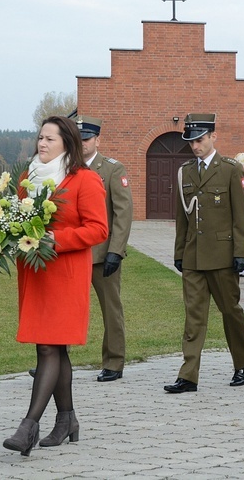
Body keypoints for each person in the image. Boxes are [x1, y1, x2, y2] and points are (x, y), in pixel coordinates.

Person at [3, 116, 108, 456]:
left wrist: (56, 239)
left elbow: (98, 230)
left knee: (49, 347)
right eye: (40, 138)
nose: (42, 144)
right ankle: (67, 421)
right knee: (52, 347)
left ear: (67, 143)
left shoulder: (85, 180)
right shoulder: (27, 178)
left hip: (65, 273)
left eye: (50, 139)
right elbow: (17, 218)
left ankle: (28, 426)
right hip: (35, 273)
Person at [164, 113, 244, 393]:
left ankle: (242, 362)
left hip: (224, 256)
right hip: (194, 256)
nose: (195, 146)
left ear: (213, 137)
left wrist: (242, 251)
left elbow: (242, 215)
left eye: (200, 140)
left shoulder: (229, 169)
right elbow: (182, 217)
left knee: (230, 312)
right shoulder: (186, 172)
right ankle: (188, 375)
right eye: (191, 141)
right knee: (194, 316)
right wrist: (180, 251)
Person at [77, 116, 133, 382]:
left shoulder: (111, 169)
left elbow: (122, 213)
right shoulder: (67, 168)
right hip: (72, 251)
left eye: (87, 139)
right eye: (78, 139)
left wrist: (116, 250)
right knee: (63, 308)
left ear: (97, 140)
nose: (82, 144)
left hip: (102, 253)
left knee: (111, 309)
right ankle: (53, 360)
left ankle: (113, 361)